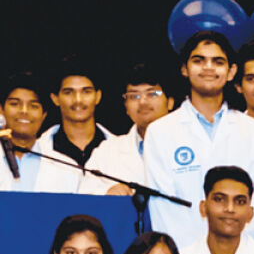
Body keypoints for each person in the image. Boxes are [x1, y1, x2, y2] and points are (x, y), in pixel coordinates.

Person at [144, 30, 254, 247]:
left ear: (231, 71)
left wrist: (235, 253)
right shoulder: (160, 133)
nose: (208, 68)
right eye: (199, 60)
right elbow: (164, 210)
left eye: (217, 61)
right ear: (185, 69)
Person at [83, 63, 176, 195]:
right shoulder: (106, 151)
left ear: (170, 102)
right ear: (126, 107)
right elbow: (85, 195)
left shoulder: (190, 143)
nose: (143, 102)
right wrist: (107, 192)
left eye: (152, 94)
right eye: (134, 96)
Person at [27, 56, 114, 193]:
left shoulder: (118, 150)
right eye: (69, 92)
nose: (78, 100)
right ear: (55, 99)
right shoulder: (37, 152)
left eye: (86, 92)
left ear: (98, 96)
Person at [0, 72, 48, 191]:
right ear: (1, 111)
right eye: (15, 104)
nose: (24, 111)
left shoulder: (66, 167)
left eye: (33, 106)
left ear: (43, 116)